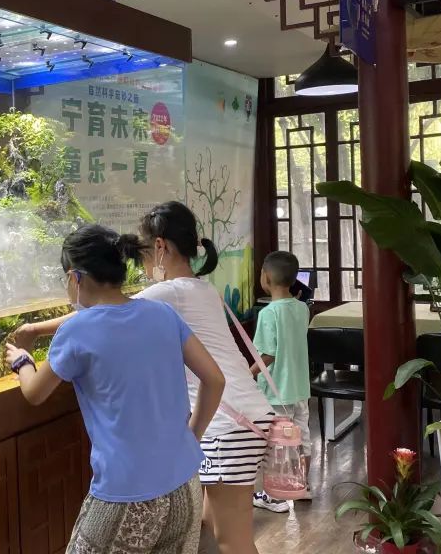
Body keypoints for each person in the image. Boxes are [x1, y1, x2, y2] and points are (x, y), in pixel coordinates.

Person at [17, 202, 276, 553]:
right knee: (215, 525)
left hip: (218, 431)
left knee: (232, 540)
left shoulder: (162, 297)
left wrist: (29, 341)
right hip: (217, 446)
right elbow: (212, 375)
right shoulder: (193, 294)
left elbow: (101, 315)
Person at [250, 250, 313, 509]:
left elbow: (268, 354)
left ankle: (273, 496)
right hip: (300, 388)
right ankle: (302, 486)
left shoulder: (268, 313)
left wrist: (248, 373)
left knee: (275, 443)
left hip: (277, 391)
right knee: (302, 438)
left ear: (265, 277)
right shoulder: (302, 309)